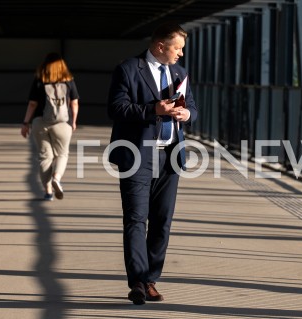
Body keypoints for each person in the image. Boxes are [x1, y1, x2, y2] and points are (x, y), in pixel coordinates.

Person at [107, 22, 197, 305]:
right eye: (177, 48)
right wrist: (152, 110)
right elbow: (116, 108)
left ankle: (150, 279)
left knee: (162, 221)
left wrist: (186, 115)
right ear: (160, 46)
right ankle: (137, 282)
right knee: (135, 219)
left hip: (170, 156)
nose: (181, 54)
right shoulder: (129, 69)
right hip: (136, 155)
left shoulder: (179, 73)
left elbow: (193, 107)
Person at [21, 52, 79, 201]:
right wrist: (73, 122)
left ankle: (48, 191)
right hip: (62, 123)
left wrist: (25, 123)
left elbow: (33, 104)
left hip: (41, 122)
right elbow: (74, 103)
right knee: (62, 154)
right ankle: (56, 178)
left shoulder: (40, 80)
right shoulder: (68, 80)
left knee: (45, 157)